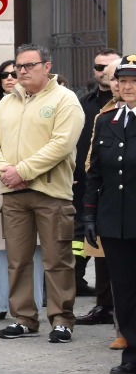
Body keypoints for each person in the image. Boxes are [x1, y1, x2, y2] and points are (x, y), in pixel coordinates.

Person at [0, 43, 85, 343]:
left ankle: (62, 320)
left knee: (57, 259)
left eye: (29, 66)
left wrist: (22, 171)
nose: (21, 72)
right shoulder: (7, 103)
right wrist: (4, 171)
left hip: (52, 193)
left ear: (47, 67)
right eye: (18, 67)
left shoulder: (65, 99)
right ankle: (24, 318)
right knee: (18, 260)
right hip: (13, 192)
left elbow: (61, 144)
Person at [0, 61, 43, 320]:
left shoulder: (41, 103)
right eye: (4, 75)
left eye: (14, 73)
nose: (10, 78)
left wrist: (23, 170)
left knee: (32, 247)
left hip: (32, 176)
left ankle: (31, 306)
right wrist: (6, 169)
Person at [82, 55, 136, 374]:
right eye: (123, 81)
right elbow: (95, 175)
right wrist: (90, 216)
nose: (127, 87)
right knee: (124, 291)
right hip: (115, 221)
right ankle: (132, 353)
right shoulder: (107, 121)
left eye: (134, 81)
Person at [75, 49, 122, 324]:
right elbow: (89, 153)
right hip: (100, 191)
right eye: (115, 78)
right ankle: (105, 306)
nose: (117, 84)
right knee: (102, 255)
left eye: (123, 79)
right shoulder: (97, 110)